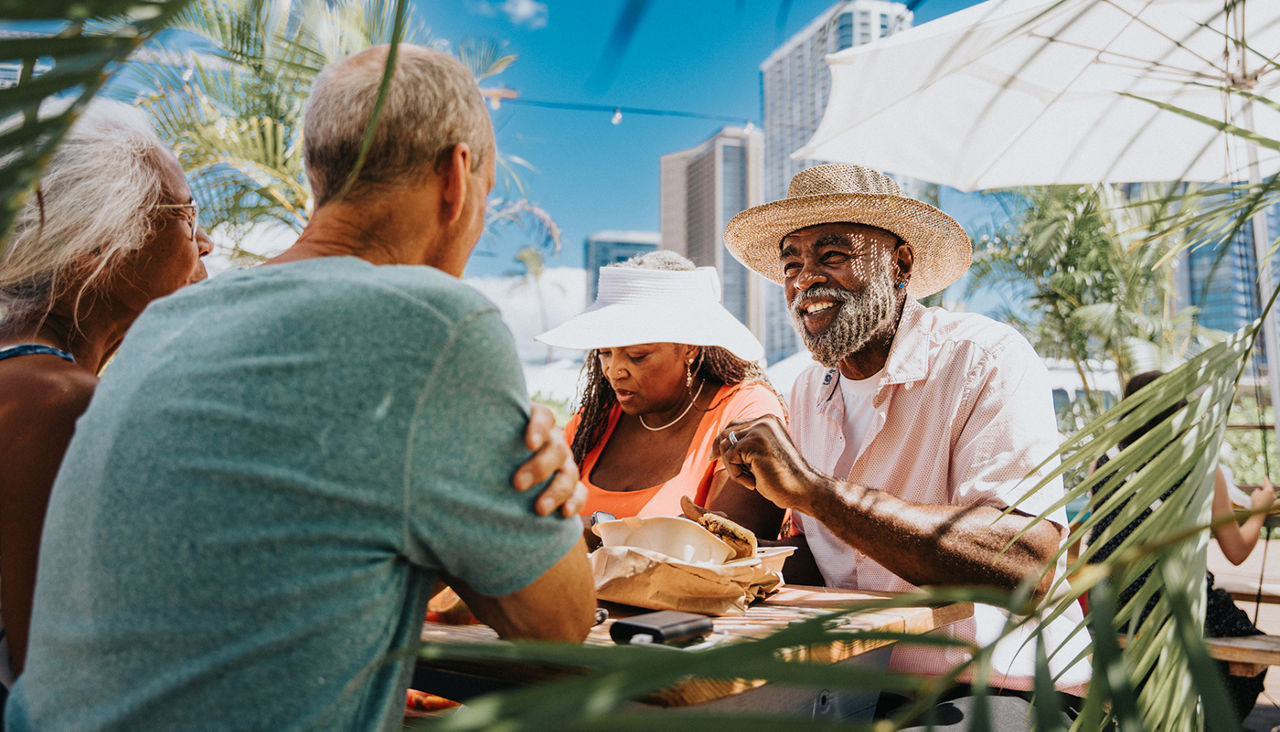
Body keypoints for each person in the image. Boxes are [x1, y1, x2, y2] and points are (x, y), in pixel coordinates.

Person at [5, 45, 594, 730]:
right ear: (458, 179)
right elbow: (559, 628)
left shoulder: (165, 326)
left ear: (319, 178)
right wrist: (549, 485)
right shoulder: (437, 324)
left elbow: (289, 565)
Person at [715, 163, 1092, 725]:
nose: (804, 280)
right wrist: (719, 555)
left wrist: (817, 494)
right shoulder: (804, 391)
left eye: (832, 256)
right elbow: (841, 571)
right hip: (857, 683)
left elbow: (1024, 563)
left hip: (1001, 688)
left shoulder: (983, 359)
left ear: (900, 264)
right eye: (791, 264)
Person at [0, 102, 215, 699]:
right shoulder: (55, 403)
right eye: (185, 213)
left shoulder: (28, 381)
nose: (207, 241)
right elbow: (70, 682)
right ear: (95, 244)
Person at [536, 251, 786, 538]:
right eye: (604, 353)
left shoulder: (745, 410)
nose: (614, 370)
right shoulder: (593, 421)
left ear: (690, 347)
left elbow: (733, 546)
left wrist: (593, 528)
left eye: (637, 356)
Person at [1087, 369, 1273, 722]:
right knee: (1249, 648)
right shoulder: (1201, 466)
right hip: (1175, 605)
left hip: (1111, 607)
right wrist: (1260, 509)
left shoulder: (1105, 462)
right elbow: (1236, 552)